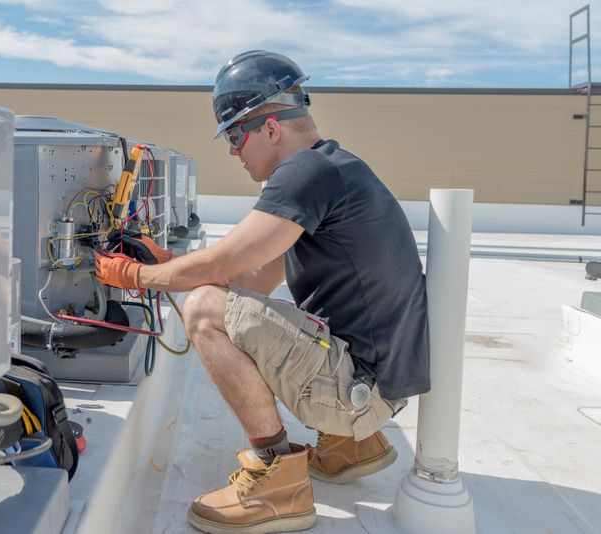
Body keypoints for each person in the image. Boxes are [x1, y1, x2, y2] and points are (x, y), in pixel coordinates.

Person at [94, 50, 430, 534]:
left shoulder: (304, 174)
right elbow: (250, 278)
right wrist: (168, 263)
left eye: (234, 134)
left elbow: (225, 265)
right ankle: (351, 445)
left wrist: (134, 276)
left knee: (205, 310)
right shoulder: (335, 170)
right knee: (223, 299)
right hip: (378, 384)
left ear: (271, 128)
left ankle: (277, 478)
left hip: (359, 390)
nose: (232, 150)